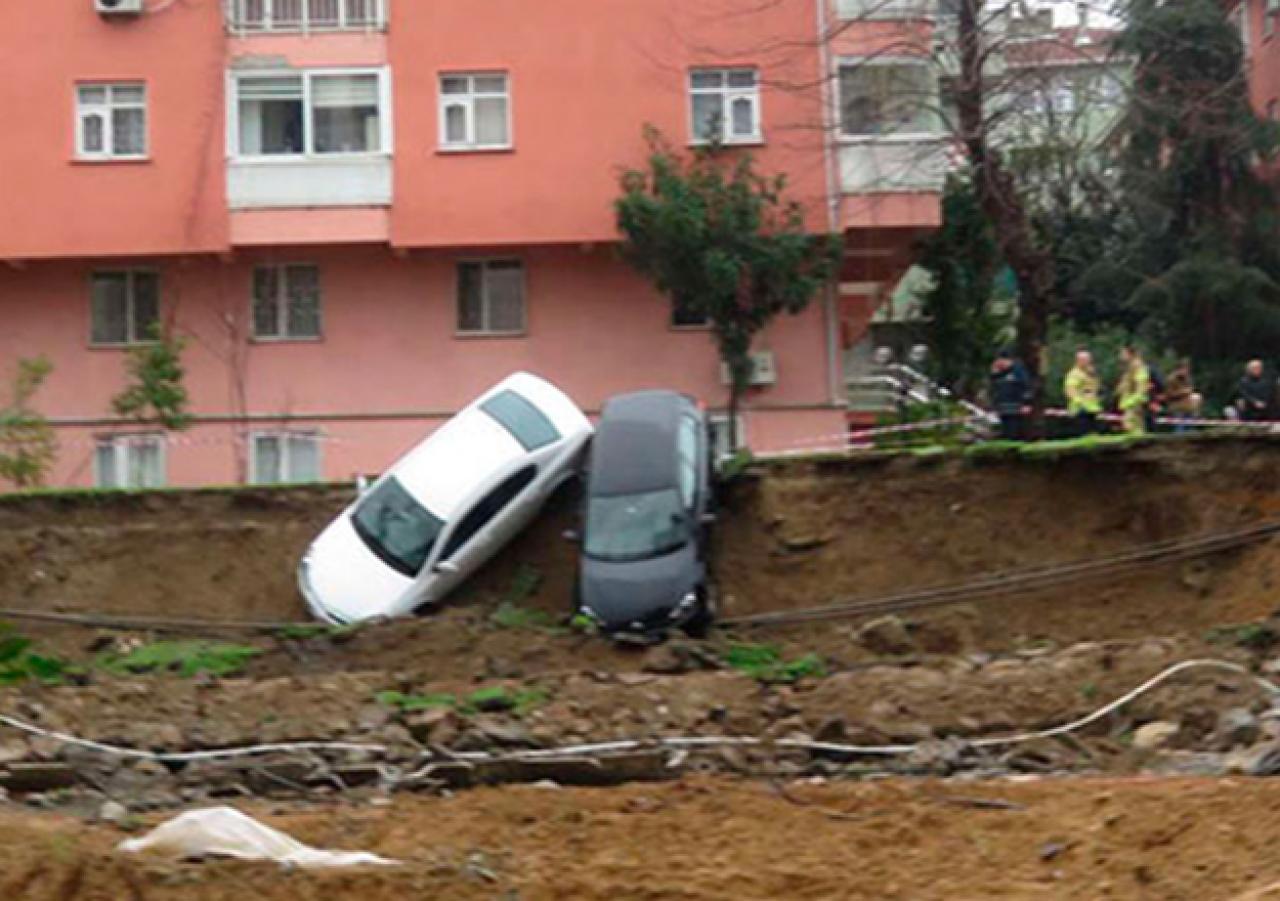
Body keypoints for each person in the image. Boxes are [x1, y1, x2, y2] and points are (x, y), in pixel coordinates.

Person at [990, 350, 1030, 441]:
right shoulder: (998, 374)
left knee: (1014, 431)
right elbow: (994, 389)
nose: (998, 363)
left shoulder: (1018, 371)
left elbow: (1026, 387)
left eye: (1000, 361)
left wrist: (1026, 403)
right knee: (1005, 431)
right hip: (1002, 407)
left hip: (1016, 407)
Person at [1063, 349, 1102, 435]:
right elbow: (1070, 389)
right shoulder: (1074, 374)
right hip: (1080, 410)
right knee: (1083, 435)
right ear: (1079, 361)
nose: (1088, 362)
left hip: (1092, 409)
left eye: (1089, 360)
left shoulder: (1090, 373)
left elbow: (1095, 388)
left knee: (1093, 435)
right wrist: (1079, 401)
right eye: (1086, 360)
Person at [1117, 345, 1151, 435]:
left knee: (1131, 425)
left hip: (1134, 402)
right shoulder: (1130, 367)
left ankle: (1138, 443)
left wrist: (1135, 399)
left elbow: (1141, 385)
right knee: (1131, 425)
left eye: (1123, 353)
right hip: (1130, 401)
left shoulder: (1138, 367)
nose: (1121, 356)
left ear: (1130, 354)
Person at [1164, 360, 1199, 431]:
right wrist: (1183, 392)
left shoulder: (1188, 379)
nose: (1186, 371)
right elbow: (1169, 395)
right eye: (1184, 369)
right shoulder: (1171, 379)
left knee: (1190, 427)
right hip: (1176, 407)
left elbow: (1191, 389)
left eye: (1187, 369)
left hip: (1188, 406)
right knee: (1180, 427)